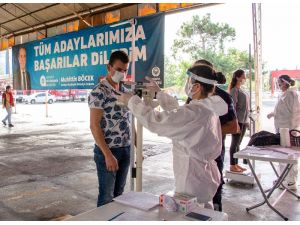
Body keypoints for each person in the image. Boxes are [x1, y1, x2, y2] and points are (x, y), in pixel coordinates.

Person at [117, 64, 228, 206]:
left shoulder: (195, 112)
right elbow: (179, 116)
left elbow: (157, 122)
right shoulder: (208, 110)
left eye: (189, 81)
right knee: (203, 210)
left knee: (191, 214)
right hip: (205, 179)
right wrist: (159, 93)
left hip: (190, 181)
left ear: (197, 87)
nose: (186, 84)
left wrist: (132, 101)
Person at [193, 59, 239, 212]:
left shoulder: (223, 97)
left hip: (213, 156)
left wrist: (209, 130)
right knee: (193, 200)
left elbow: (234, 126)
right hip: (193, 158)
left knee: (213, 195)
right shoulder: (193, 95)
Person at [88, 50, 131, 207]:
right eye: (119, 69)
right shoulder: (99, 91)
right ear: (109, 67)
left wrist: (136, 148)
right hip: (108, 151)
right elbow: (94, 125)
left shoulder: (125, 92)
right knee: (106, 197)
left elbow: (129, 121)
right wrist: (107, 155)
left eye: (125, 70)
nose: (122, 73)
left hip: (125, 149)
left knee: (120, 196)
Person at [267, 75, 300, 190]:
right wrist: (273, 113)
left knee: (290, 155)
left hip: (289, 130)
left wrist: (292, 130)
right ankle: (282, 177)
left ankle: (291, 181)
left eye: (279, 83)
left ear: (285, 83)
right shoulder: (283, 94)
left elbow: (296, 113)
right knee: (281, 154)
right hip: (281, 129)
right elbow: (282, 110)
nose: (277, 85)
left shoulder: (292, 94)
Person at [228, 69, 250, 173]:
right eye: (243, 75)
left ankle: (236, 164)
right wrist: (235, 122)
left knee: (238, 143)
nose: (245, 77)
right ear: (237, 77)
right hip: (238, 121)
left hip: (243, 120)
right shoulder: (234, 90)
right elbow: (233, 107)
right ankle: (232, 165)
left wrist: (246, 120)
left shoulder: (241, 89)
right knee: (235, 143)